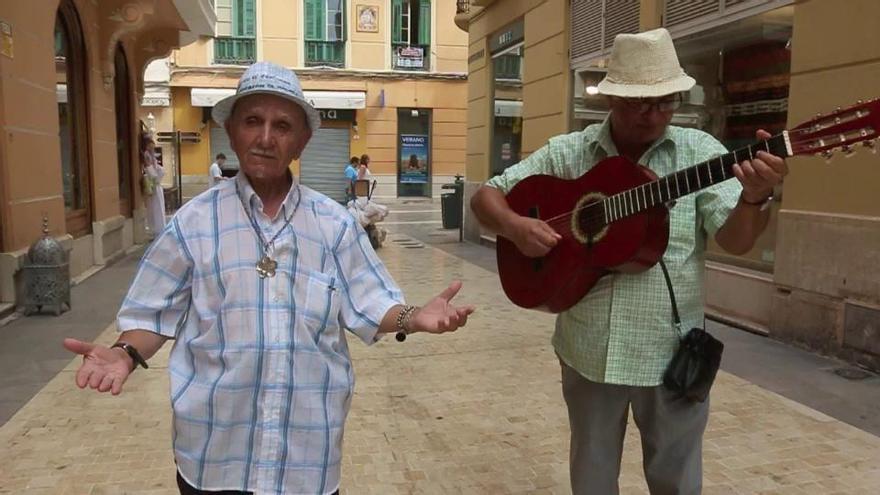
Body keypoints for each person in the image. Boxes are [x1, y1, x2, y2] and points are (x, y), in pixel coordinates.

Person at [63, 62, 475, 495]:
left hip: (306, 455)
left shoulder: (334, 224)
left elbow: (370, 302)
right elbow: (152, 312)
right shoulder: (193, 223)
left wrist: (414, 315)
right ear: (232, 130)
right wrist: (125, 353)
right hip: (214, 452)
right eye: (252, 121)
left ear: (302, 141)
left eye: (282, 126)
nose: (265, 138)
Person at [471, 28, 787, 495]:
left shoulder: (699, 153)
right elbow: (486, 196)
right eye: (640, 102)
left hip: (670, 354)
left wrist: (756, 198)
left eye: (665, 101)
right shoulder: (570, 152)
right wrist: (517, 228)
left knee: (676, 481)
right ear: (611, 99)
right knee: (592, 479)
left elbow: (737, 241)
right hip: (588, 351)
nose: (654, 114)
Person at [141, 133, 166, 236]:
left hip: (156, 182)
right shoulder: (147, 154)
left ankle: (158, 227)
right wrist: (156, 176)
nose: (153, 145)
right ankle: (156, 228)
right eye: (151, 143)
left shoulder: (151, 155)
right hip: (154, 183)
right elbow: (149, 169)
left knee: (157, 206)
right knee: (155, 206)